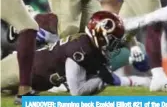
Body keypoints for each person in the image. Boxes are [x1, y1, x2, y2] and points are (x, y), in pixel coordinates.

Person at [1, 11, 149, 95]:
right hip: (19, 70)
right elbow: (77, 92)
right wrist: (109, 78)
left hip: (32, 78)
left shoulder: (88, 45)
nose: (113, 43)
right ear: (98, 33)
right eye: (111, 38)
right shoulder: (82, 49)